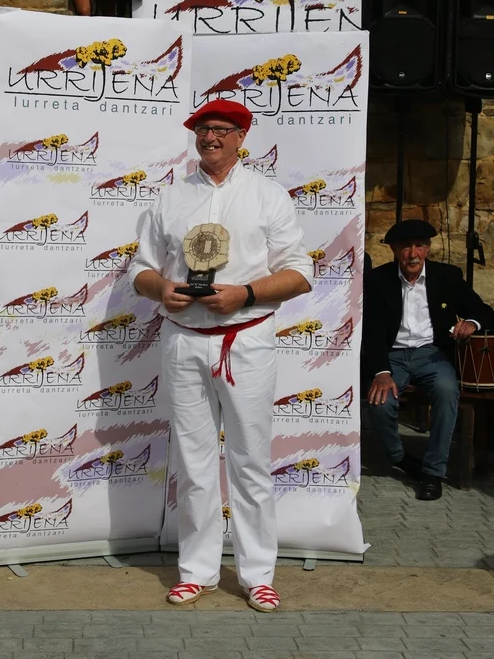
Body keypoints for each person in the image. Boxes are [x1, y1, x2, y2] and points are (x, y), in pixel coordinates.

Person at [128, 99, 313, 611]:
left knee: (250, 460)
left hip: (245, 339)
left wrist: (246, 294)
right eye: (202, 129)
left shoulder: (268, 196)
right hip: (183, 338)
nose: (209, 137)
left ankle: (257, 575)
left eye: (220, 130)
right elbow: (140, 269)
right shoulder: (170, 197)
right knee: (193, 463)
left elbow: (300, 272)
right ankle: (198, 571)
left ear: (241, 137)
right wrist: (161, 288)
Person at [363, 219, 492, 501]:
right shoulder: (377, 281)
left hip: (431, 353)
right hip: (391, 356)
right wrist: (381, 372)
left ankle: (433, 472)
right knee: (380, 403)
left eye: (419, 246)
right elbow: (370, 331)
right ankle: (400, 458)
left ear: (428, 249)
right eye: (405, 247)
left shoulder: (447, 276)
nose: (413, 254)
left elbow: (483, 311)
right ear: (394, 250)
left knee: (447, 391)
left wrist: (471, 323)